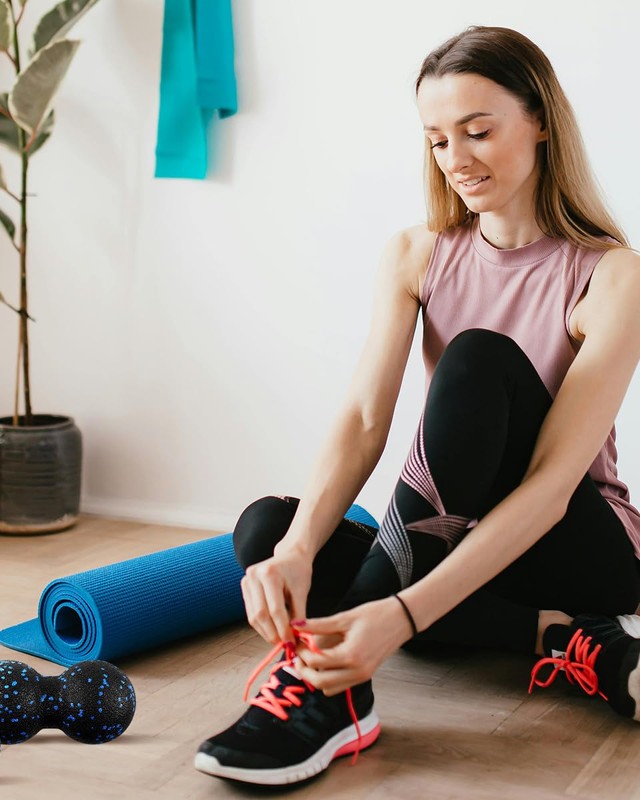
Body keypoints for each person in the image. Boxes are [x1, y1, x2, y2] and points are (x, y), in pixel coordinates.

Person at [193, 25, 640, 786]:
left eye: (477, 131)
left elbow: (551, 488)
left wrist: (397, 614)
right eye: (437, 140)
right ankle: (557, 638)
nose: (455, 159)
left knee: (476, 359)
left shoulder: (612, 275)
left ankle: (329, 696)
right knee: (269, 530)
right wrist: (298, 551)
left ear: (539, 120)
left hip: (577, 544)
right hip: (459, 537)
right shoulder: (416, 254)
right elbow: (366, 420)